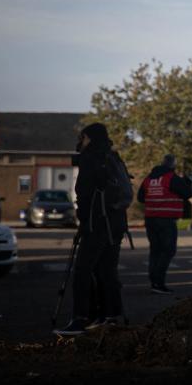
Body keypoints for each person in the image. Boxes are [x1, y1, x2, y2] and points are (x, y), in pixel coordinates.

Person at [54, 123, 128, 335]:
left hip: (97, 224)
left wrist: (83, 220)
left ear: (88, 137)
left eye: (83, 137)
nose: (81, 141)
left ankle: (80, 318)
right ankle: (109, 316)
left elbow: (84, 193)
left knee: (83, 272)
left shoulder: (90, 157)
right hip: (116, 225)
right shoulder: (113, 157)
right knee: (107, 271)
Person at [137, 154, 192, 294]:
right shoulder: (171, 178)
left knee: (155, 250)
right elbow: (187, 193)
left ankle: (154, 282)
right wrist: (185, 180)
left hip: (150, 219)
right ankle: (159, 282)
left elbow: (140, 198)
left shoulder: (149, 179)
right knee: (168, 251)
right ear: (173, 165)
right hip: (166, 220)